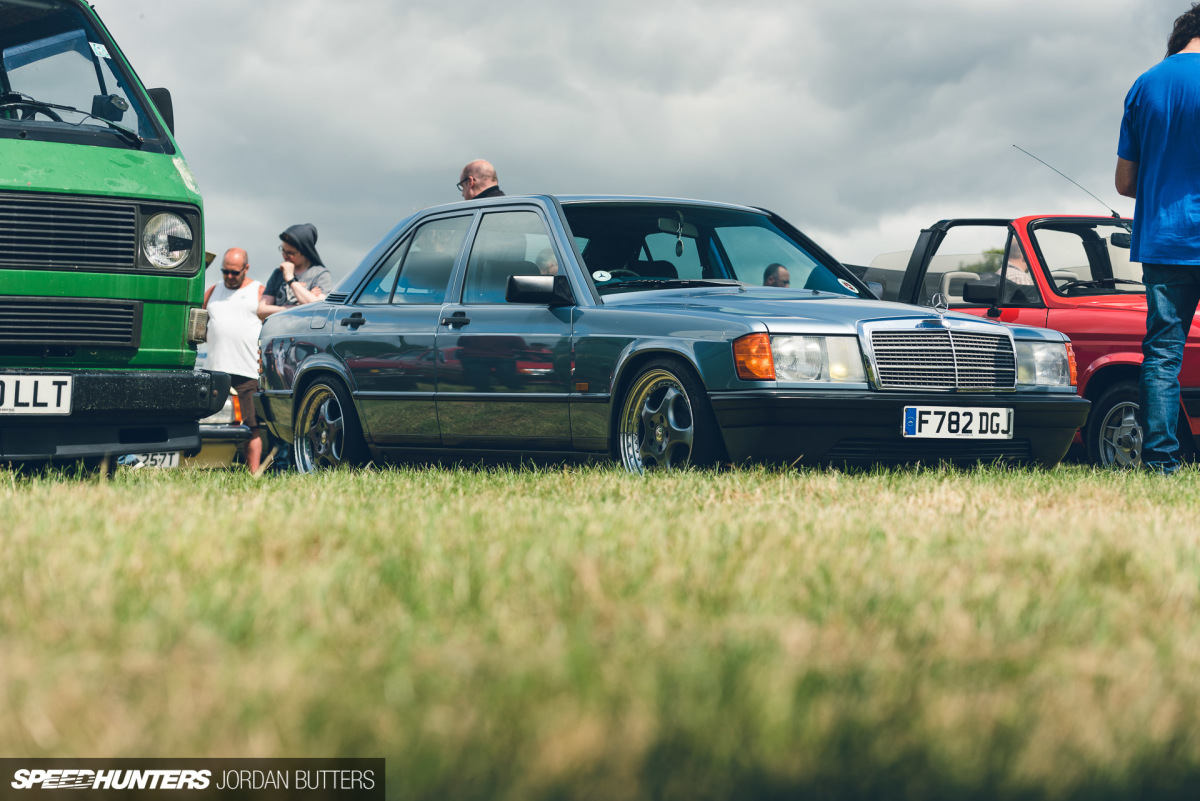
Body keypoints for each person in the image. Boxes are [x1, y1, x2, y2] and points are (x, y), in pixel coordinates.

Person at [1115, 3, 1200, 473]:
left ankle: (1161, 463)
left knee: (1163, 356)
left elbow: (1125, 183)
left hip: (1165, 244)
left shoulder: (1145, 85)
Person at [203, 248, 265, 473]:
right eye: (225, 272)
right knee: (208, 423)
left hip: (246, 371)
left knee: (252, 426)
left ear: (246, 269)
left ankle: (253, 474)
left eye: (234, 273)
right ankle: (206, 467)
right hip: (215, 370)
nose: (229, 277)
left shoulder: (258, 291)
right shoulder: (213, 291)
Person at [257, 224, 334, 320]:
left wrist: (290, 279)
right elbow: (261, 311)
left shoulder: (321, 275)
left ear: (305, 251)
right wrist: (295, 308)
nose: (284, 256)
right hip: (277, 332)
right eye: (283, 250)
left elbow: (316, 309)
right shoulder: (278, 274)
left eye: (290, 253)